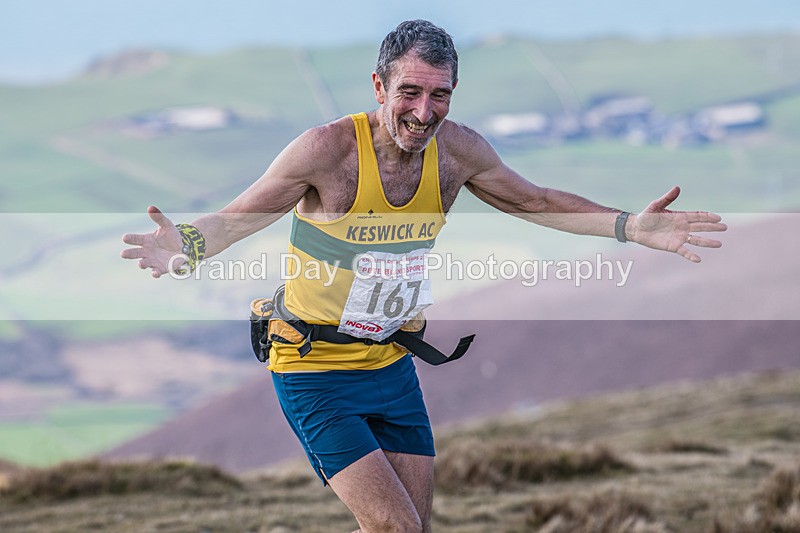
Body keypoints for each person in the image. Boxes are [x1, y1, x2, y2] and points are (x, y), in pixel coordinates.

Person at [121, 19, 726, 533]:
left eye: (439, 95)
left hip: (392, 366)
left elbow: (535, 201)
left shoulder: (459, 152)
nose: (422, 111)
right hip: (313, 368)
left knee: (413, 527)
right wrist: (187, 245)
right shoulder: (327, 151)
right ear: (379, 86)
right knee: (397, 528)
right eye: (408, 92)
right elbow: (238, 217)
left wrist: (630, 227)